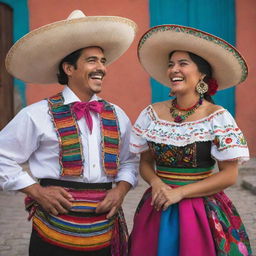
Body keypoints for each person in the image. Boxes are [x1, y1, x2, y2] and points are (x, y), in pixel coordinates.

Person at [0, 10, 138, 256]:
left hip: (104, 234)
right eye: (92, 60)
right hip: (52, 234)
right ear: (69, 68)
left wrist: (120, 190)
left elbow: (130, 160)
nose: (101, 68)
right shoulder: (37, 114)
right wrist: (36, 191)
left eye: (103, 61)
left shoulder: (117, 115)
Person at [129, 24, 252, 256]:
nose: (174, 69)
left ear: (202, 73)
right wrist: (156, 184)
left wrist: (181, 193)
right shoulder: (151, 114)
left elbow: (229, 175)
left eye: (183, 63)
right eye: (170, 64)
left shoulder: (217, 117)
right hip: (157, 205)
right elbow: (145, 163)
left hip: (200, 209)